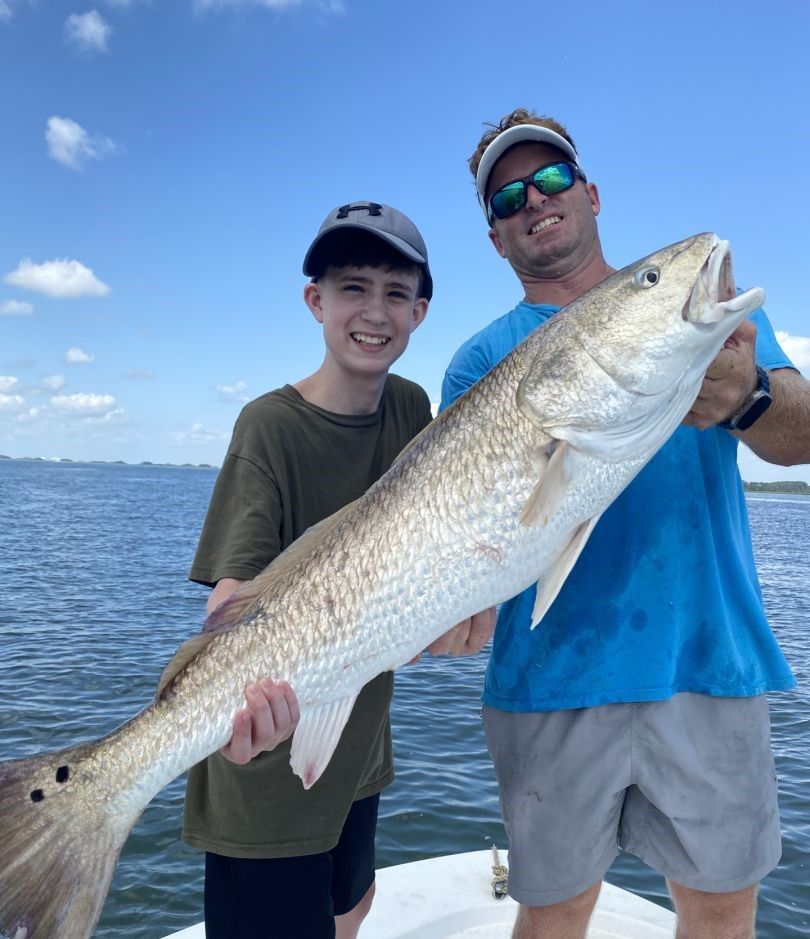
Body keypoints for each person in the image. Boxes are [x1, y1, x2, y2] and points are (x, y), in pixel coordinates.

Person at [441, 108, 810, 939]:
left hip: (709, 659)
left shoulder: (707, 318)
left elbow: (803, 434)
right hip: (548, 679)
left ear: (592, 192)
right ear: (496, 238)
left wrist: (748, 396)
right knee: (554, 913)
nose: (535, 200)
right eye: (508, 198)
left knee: (723, 910)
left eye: (551, 178)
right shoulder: (479, 360)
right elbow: (465, 526)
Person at [183, 200, 492, 939]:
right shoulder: (268, 425)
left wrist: (461, 614)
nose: (374, 311)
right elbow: (230, 602)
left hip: (355, 752)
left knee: (350, 908)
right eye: (353, 286)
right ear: (314, 300)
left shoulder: (411, 409)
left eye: (395, 292)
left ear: (419, 312)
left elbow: (432, 558)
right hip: (263, 778)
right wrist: (233, 710)